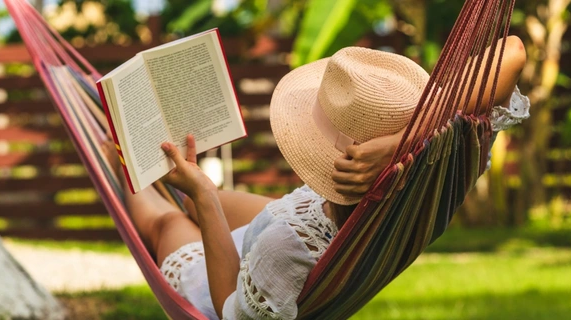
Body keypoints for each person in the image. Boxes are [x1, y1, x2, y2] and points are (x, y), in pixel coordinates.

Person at [102, 36, 529, 319]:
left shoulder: (285, 249)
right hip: (317, 218)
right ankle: (180, 185)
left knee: (171, 221)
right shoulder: (438, 170)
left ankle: (120, 163)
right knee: (197, 198)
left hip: (240, 277)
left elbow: (231, 309)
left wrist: (206, 198)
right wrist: (405, 141)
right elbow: (514, 50)